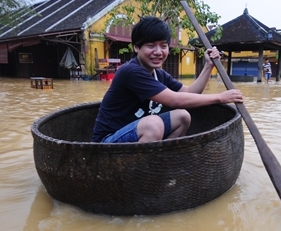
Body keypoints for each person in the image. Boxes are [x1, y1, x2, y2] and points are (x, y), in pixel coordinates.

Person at [92, 16, 244, 143]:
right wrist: (220, 97)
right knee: (154, 124)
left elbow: (191, 92)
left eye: (163, 46)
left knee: (183, 116)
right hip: (108, 141)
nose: (158, 52)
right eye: (151, 46)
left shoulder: (158, 74)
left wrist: (208, 66)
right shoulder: (131, 71)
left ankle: (162, 158)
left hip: (136, 133)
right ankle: (142, 171)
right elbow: (175, 100)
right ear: (137, 47)